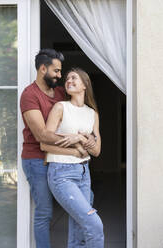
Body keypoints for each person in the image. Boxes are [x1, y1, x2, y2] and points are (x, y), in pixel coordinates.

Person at [20, 49, 95, 248]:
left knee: (81, 206)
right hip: (36, 159)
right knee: (44, 211)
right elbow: (42, 136)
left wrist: (88, 136)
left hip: (62, 161)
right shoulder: (29, 95)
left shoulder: (61, 92)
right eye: (56, 71)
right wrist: (77, 145)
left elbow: (76, 115)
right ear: (43, 68)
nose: (60, 76)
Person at [40, 68, 104, 248]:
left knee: (79, 231)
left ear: (85, 85)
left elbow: (97, 150)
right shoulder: (60, 107)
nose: (69, 81)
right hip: (61, 174)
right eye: (67, 79)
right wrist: (75, 151)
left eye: (74, 78)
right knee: (94, 224)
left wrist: (81, 138)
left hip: (84, 174)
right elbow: (45, 144)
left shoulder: (93, 114)